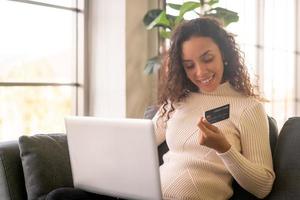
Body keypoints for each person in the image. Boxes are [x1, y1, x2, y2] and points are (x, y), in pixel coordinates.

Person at [152, 17, 275, 200]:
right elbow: (139, 143)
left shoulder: (248, 108)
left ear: (224, 54)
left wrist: (223, 148)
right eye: (190, 65)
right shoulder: (176, 100)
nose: (200, 72)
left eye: (207, 59)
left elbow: (263, 186)